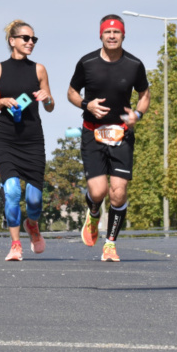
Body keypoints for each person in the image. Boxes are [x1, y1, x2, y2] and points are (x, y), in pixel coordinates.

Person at [67, 14, 150, 262]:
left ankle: (110, 243)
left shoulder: (134, 65)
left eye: (116, 32)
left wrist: (137, 114)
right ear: (100, 35)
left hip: (121, 133)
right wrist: (87, 104)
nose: (112, 36)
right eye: (107, 32)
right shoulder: (87, 63)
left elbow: (144, 95)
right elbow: (71, 92)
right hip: (93, 132)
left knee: (118, 192)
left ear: (123, 35)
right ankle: (94, 212)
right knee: (98, 191)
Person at [0, 20, 54, 261]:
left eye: (34, 39)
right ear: (12, 41)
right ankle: (15, 245)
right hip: (6, 140)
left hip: (33, 141)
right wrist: (2, 101)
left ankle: (32, 224)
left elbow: (50, 106)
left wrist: (47, 98)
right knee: (12, 192)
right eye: (26, 38)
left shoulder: (39, 70)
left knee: (34, 200)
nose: (31, 42)